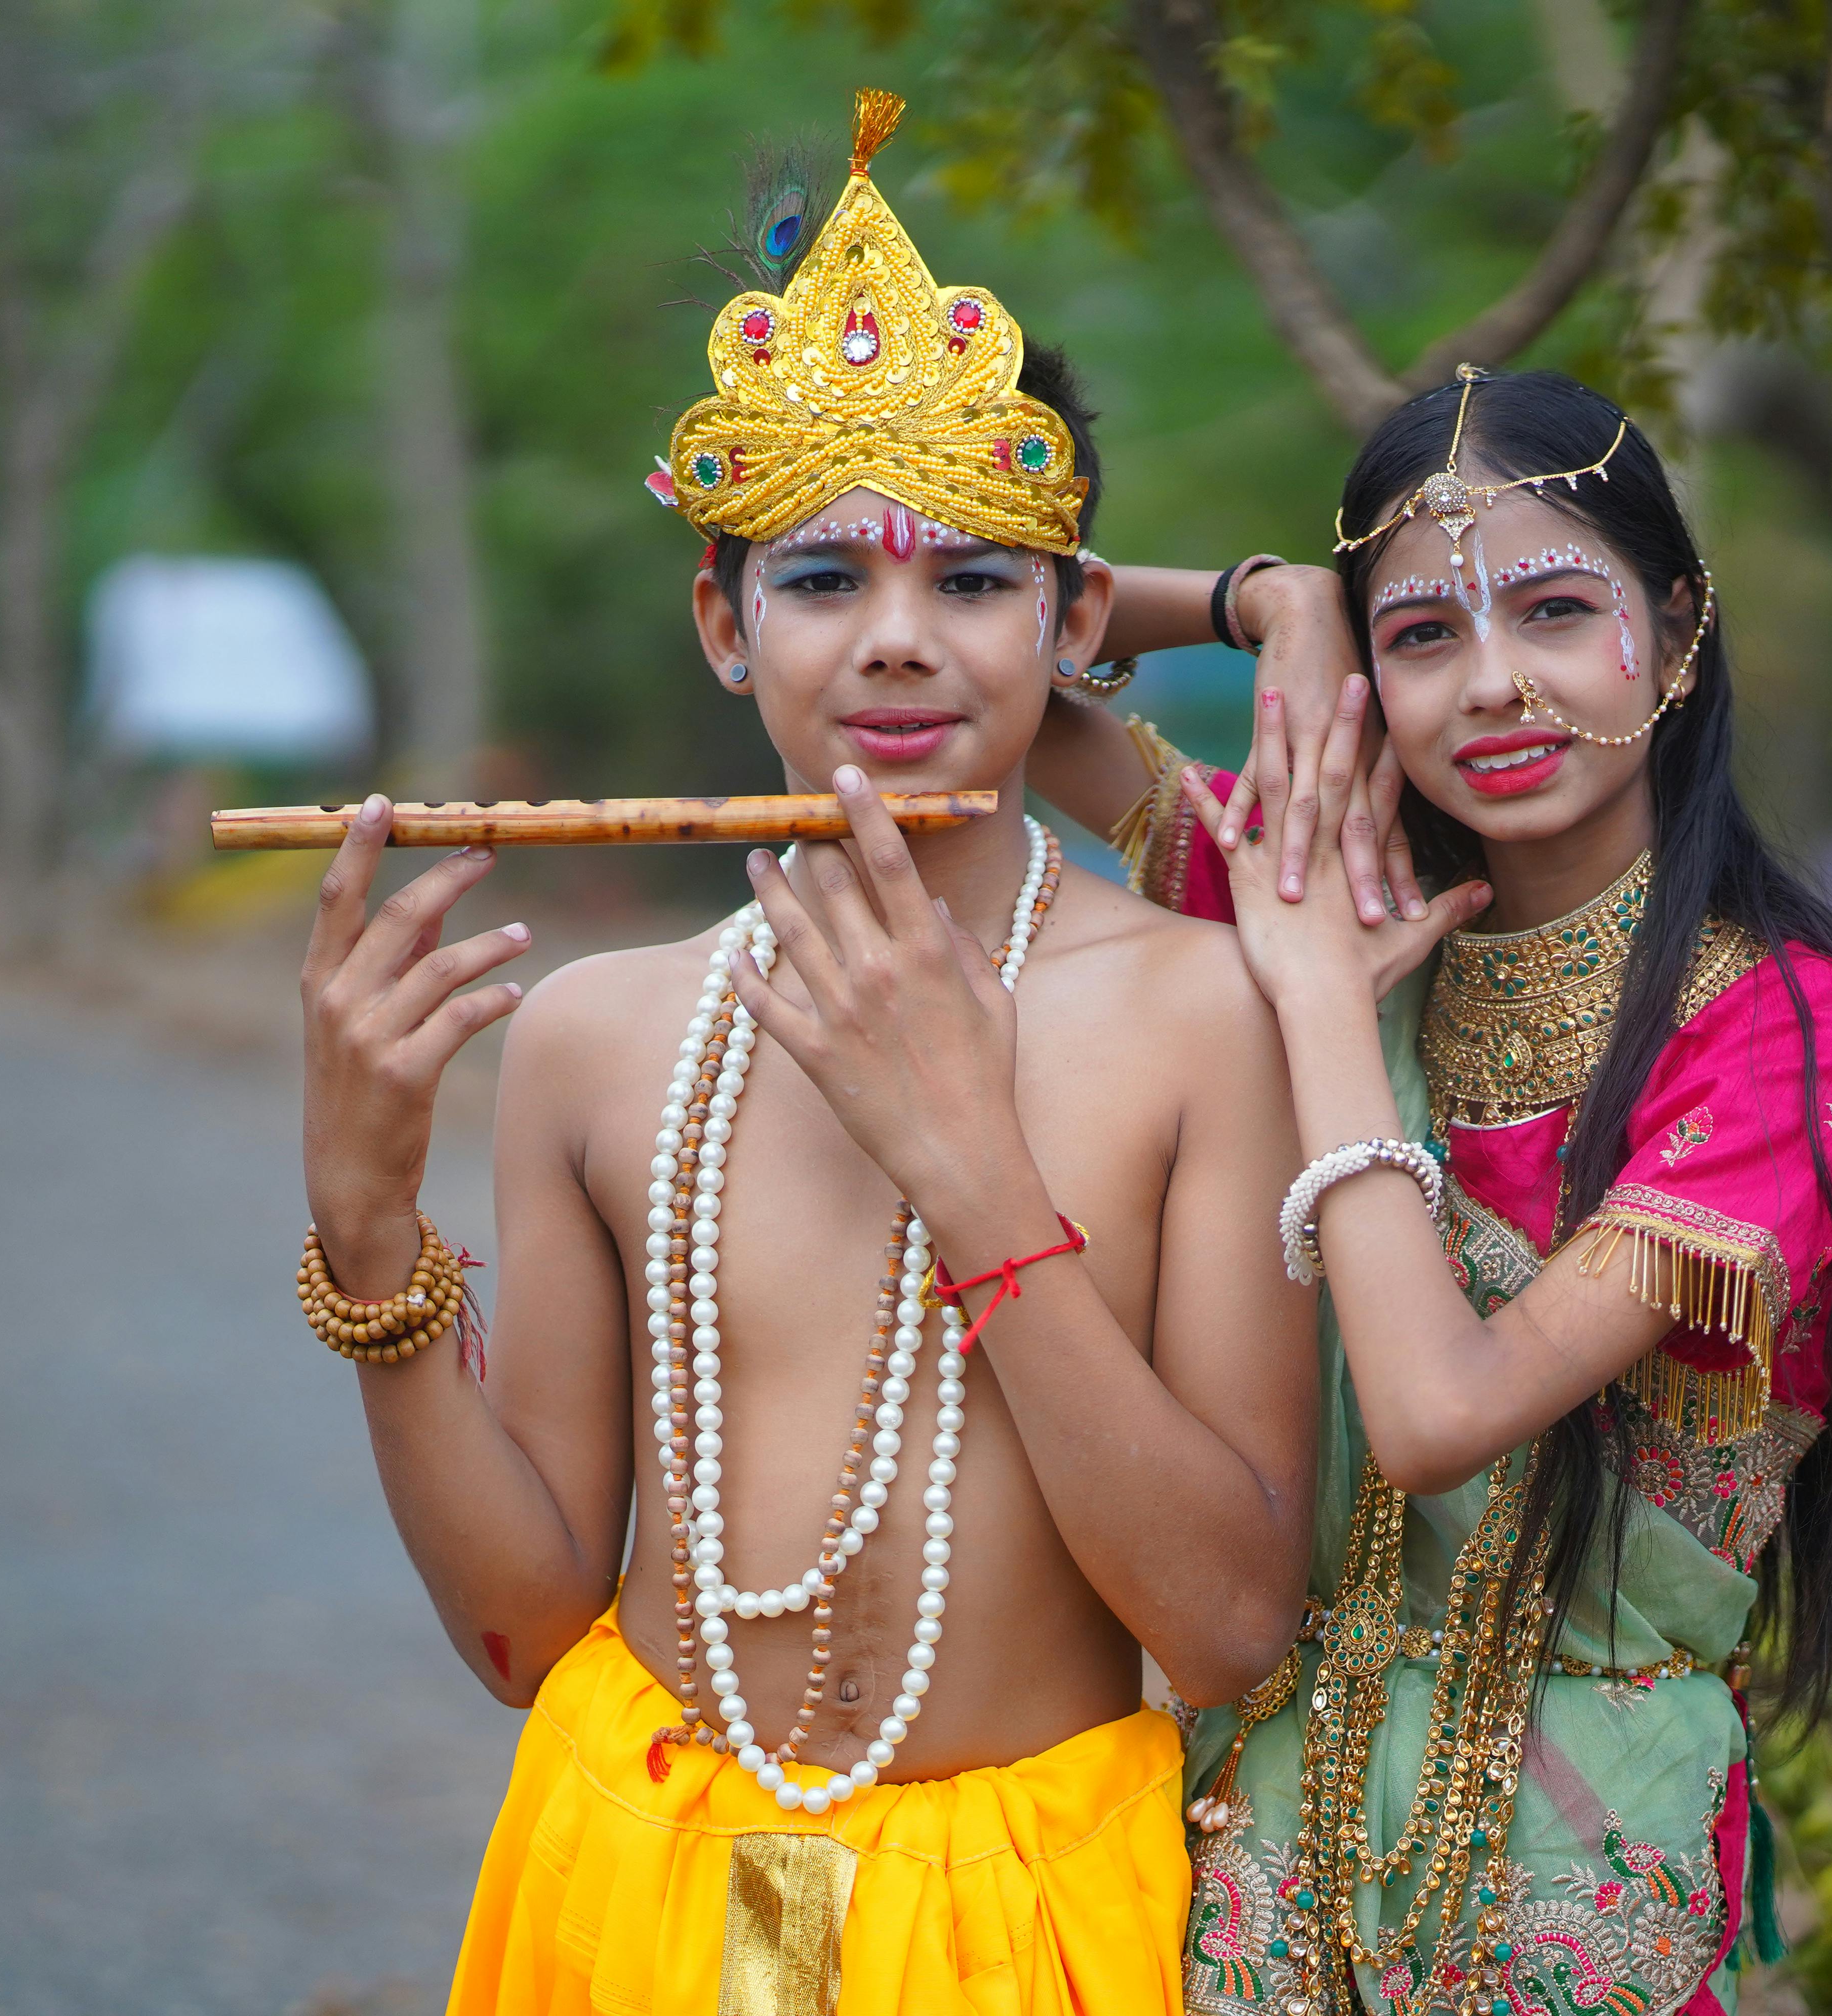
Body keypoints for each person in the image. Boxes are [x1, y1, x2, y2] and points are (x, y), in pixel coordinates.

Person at [293, 90, 1319, 2016]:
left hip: (1025, 1923)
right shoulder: (601, 1043)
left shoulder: (1200, 1016)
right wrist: (365, 1230)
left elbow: (1229, 1625)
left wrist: (969, 1169)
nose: (902, 643)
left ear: (1077, 616)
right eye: (826, 580)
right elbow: (524, 1631)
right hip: (641, 1886)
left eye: (978, 580)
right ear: (723, 622)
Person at [1038, 368, 1832, 2016]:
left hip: (1581, 1857)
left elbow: (1435, 1414)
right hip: (1251, 1844)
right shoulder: (1339, 888)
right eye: (1422, 637)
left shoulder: (1785, 1032)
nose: (1492, 687)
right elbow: (1007, 682)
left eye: (1552, 611)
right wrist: (1276, 603)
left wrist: (1325, 1007)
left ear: (1678, 637)